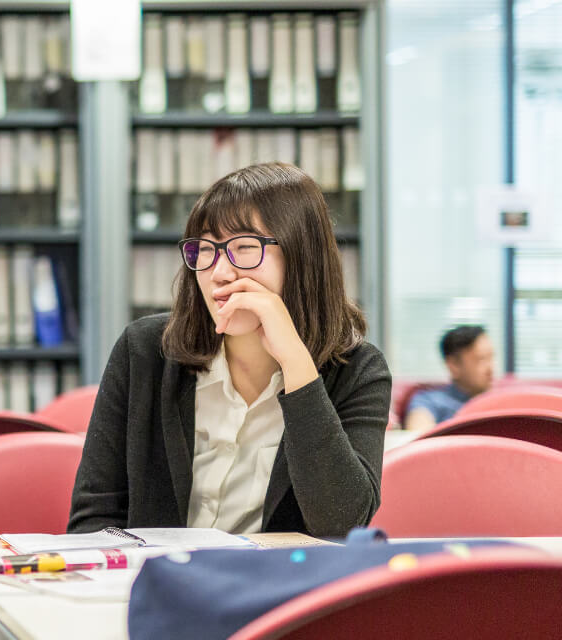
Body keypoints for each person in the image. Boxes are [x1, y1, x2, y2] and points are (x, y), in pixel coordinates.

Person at [68, 162, 392, 539]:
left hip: (281, 593)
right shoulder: (143, 352)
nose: (219, 272)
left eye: (244, 247)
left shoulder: (359, 370)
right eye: (206, 250)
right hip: (155, 587)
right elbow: (92, 522)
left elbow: (341, 525)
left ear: (303, 257)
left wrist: (297, 365)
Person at [403, 325, 495, 430]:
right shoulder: (429, 401)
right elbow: (418, 435)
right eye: (481, 359)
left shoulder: (500, 401)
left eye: (491, 357)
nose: (490, 368)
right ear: (453, 365)